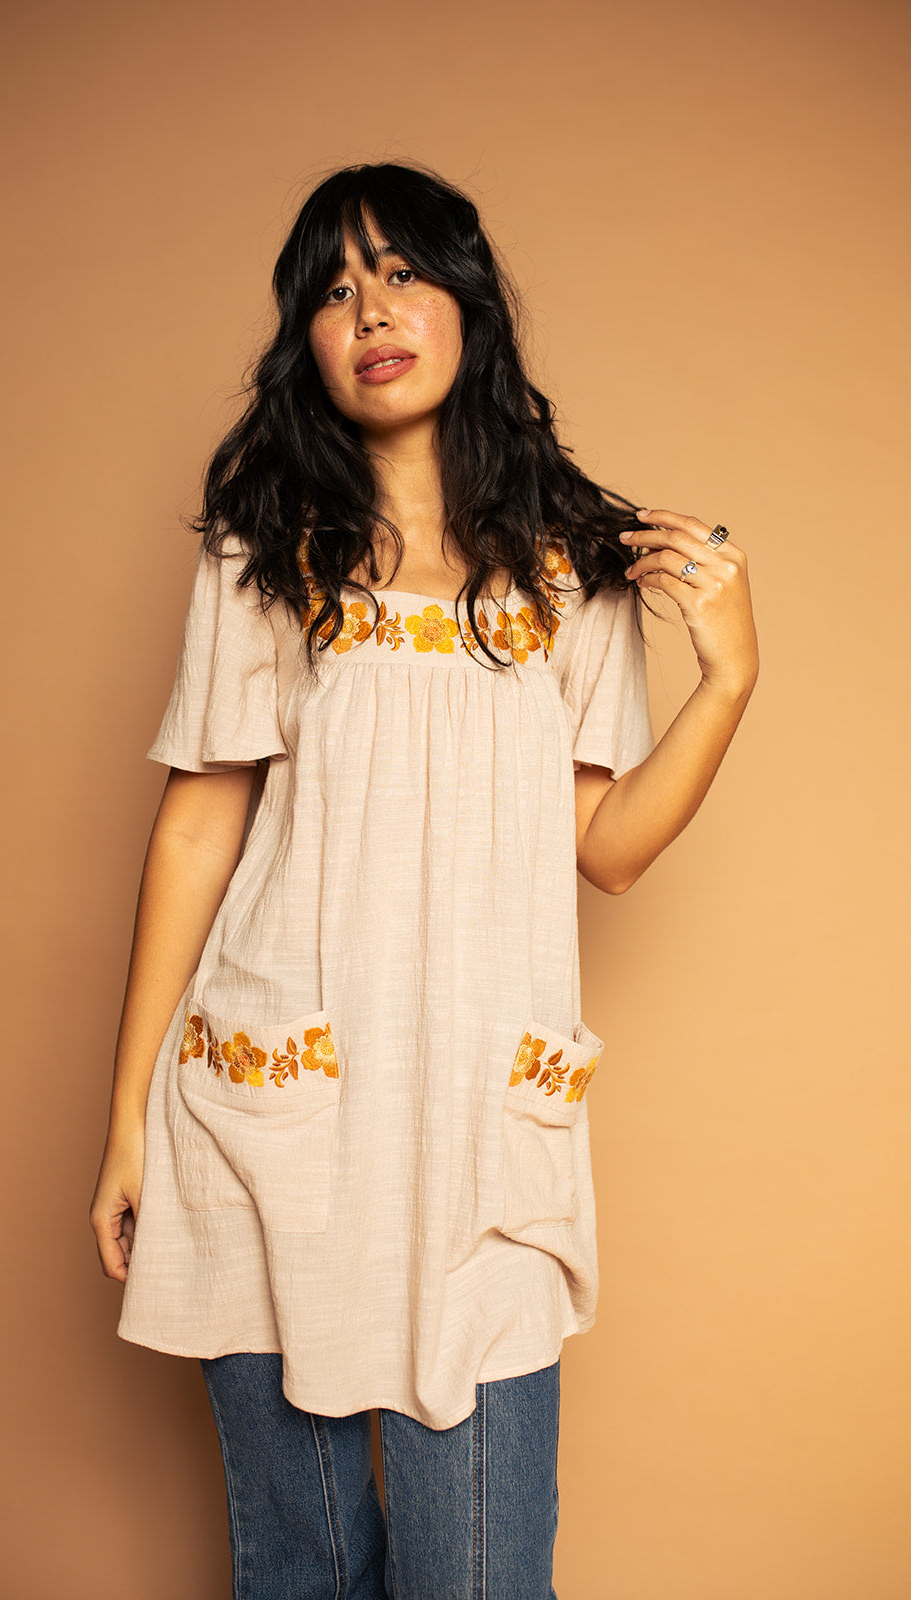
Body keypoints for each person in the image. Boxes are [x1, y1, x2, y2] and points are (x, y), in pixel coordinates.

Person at [89, 160, 759, 1600]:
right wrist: (128, 1112)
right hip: (271, 1111)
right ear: (306, 342)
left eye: (400, 272)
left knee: (481, 1579)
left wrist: (730, 681)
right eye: (333, 291)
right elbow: (198, 825)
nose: (371, 310)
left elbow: (608, 848)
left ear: (470, 304)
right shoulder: (267, 549)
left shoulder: (572, 572)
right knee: (304, 1571)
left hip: (478, 1136)